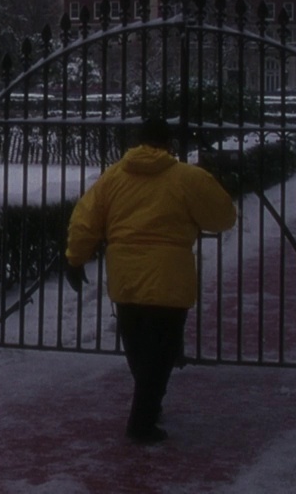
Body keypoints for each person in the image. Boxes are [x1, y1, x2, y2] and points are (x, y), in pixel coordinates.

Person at [64, 118, 237, 444]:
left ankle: (148, 405)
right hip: (169, 276)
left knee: (138, 346)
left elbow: (85, 221)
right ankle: (142, 422)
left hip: (126, 276)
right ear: (169, 144)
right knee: (161, 349)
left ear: (136, 142)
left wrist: (75, 259)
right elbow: (223, 216)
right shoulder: (187, 178)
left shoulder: (112, 178)